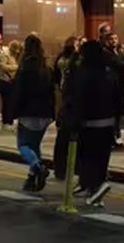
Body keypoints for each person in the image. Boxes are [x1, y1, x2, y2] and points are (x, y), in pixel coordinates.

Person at [64, 39, 121, 205]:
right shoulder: (109, 74)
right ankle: (95, 191)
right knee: (102, 158)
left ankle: (96, 185)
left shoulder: (81, 74)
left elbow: (76, 99)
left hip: (88, 122)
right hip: (108, 122)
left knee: (86, 158)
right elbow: (117, 99)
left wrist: (73, 121)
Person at [11, 34, 55, 191]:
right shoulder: (47, 69)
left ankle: (37, 167)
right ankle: (32, 179)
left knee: (23, 145)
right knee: (35, 145)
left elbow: (18, 93)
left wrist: (12, 112)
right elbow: (52, 92)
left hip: (28, 112)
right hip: (44, 113)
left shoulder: (25, 69)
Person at [51, 36, 78, 178]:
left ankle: (61, 168)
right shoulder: (74, 70)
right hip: (73, 110)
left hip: (68, 107)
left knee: (63, 140)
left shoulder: (62, 60)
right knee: (67, 139)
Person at [0, 40, 21, 129]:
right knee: (6, 102)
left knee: (11, 102)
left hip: (12, 81)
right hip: (5, 80)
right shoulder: (5, 54)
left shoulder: (15, 56)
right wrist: (16, 68)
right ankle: (5, 120)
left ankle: (10, 119)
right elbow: (3, 66)